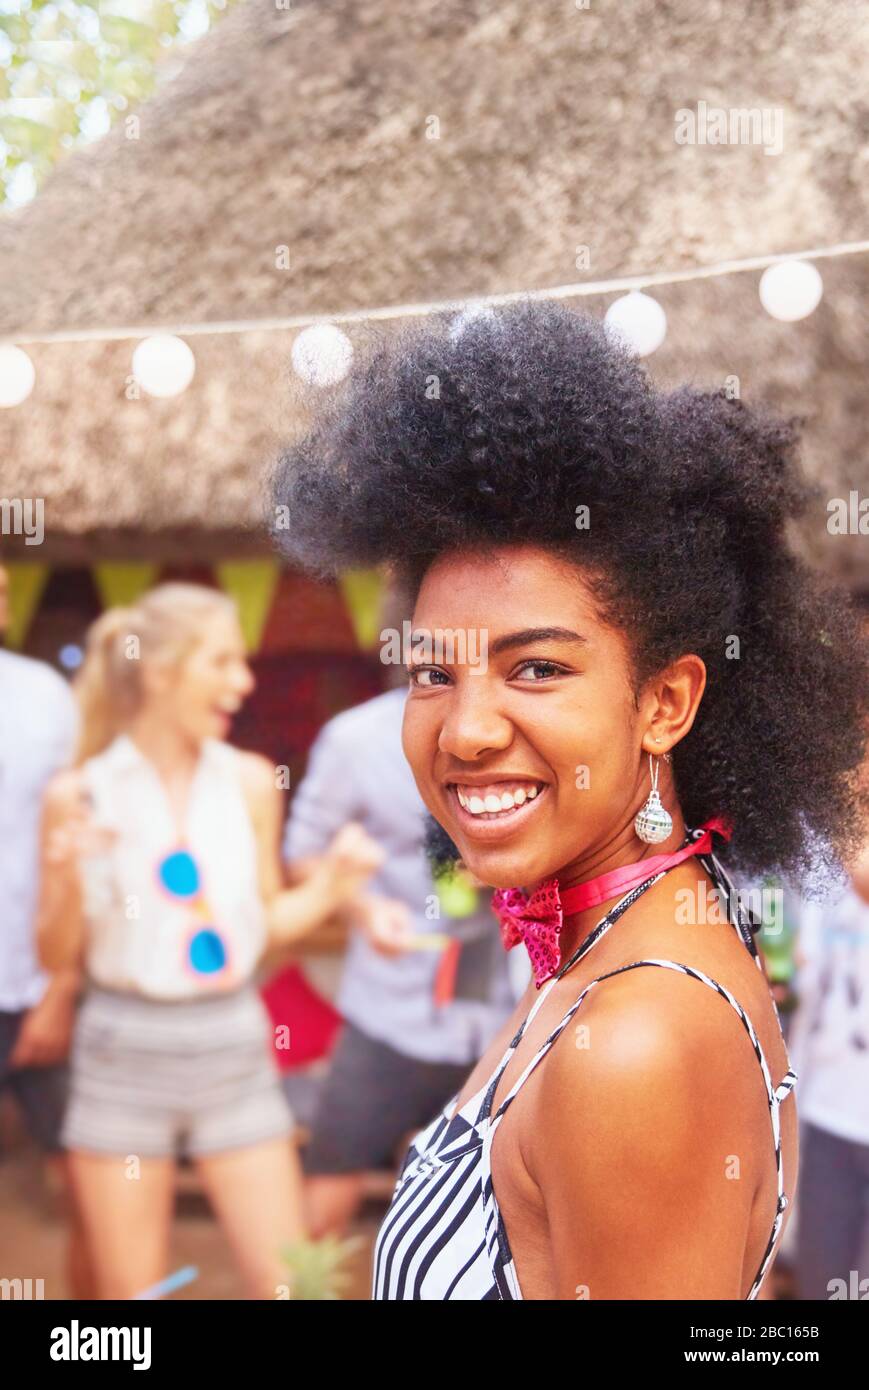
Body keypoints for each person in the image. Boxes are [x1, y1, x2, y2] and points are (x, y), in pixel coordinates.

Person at [272, 301, 868, 1300]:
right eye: (431, 673)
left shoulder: (630, 1042)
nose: (464, 730)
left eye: (535, 667)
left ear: (663, 701)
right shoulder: (609, 940)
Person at [37, 583, 382, 1299]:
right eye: (222, 663)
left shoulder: (252, 783)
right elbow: (54, 956)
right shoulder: (80, 796)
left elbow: (261, 934)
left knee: (297, 1285)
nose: (243, 682)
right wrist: (66, 874)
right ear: (162, 672)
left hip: (233, 1047)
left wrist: (332, 888)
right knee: (133, 1304)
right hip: (119, 1054)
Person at [285, 677, 517, 1238]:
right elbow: (304, 852)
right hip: (391, 1006)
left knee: (506, 1205)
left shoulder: (523, 731)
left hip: (508, 1010)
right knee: (330, 1184)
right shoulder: (356, 738)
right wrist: (363, 910)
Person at [0, 562, 93, 1296]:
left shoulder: (44, 696)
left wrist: (60, 985)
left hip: (30, 978)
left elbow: (79, 851)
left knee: (86, 1170)